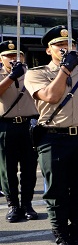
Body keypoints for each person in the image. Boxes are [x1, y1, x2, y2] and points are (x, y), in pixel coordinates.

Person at [24, 26, 78, 245]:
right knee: (57, 194)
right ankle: (63, 242)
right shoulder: (36, 74)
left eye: (71, 44)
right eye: (59, 45)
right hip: (54, 138)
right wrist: (65, 69)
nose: (66, 48)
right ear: (49, 50)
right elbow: (50, 97)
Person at [0, 40, 39, 223]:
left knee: (29, 168)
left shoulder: (31, 74)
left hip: (28, 125)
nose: (14, 58)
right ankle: (13, 205)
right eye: (9, 55)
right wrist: (11, 77)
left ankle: (27, 204)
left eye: (18, 55)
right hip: (5, 125)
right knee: (8, 169)